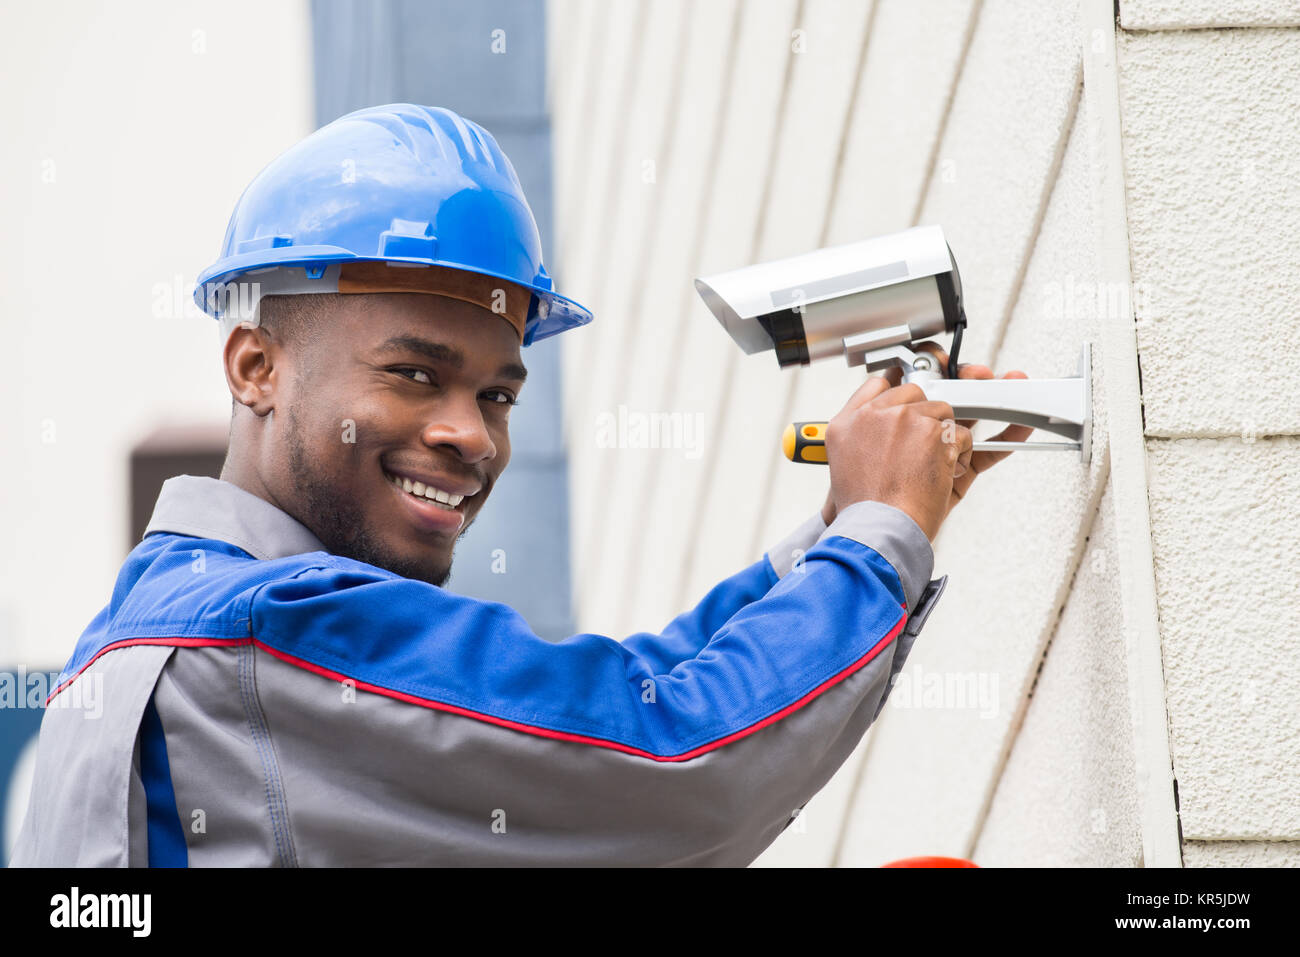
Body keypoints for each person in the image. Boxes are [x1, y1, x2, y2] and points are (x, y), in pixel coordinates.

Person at [9, 104, 1028, 867]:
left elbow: (622, 702)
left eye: (497, 395)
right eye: (413, 375)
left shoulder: (142, 645)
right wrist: (881, 537)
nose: (468, 435)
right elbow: (670, 761)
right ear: (255, 368)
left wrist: (844, 525)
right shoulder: (261, 629)